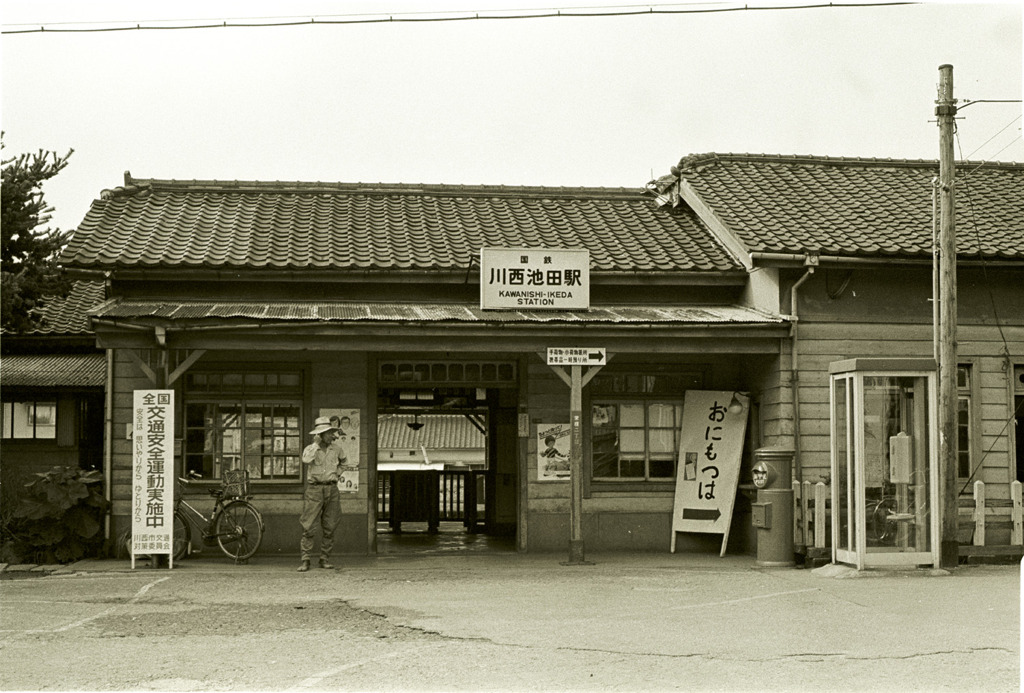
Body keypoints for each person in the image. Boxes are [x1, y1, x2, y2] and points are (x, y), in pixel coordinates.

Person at [298, 416, 347, 572]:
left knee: (330, 526)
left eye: (332, 432)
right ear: (320, 435)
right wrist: (315, 444)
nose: (332, 435)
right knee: (309, 526)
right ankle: (305, 560)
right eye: (328, 433)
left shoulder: (337, 449)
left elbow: (345, 462)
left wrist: (337, 475)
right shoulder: (310, 449)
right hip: (314, 490)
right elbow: (306, 460)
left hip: (332, 490)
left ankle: (324, 559)